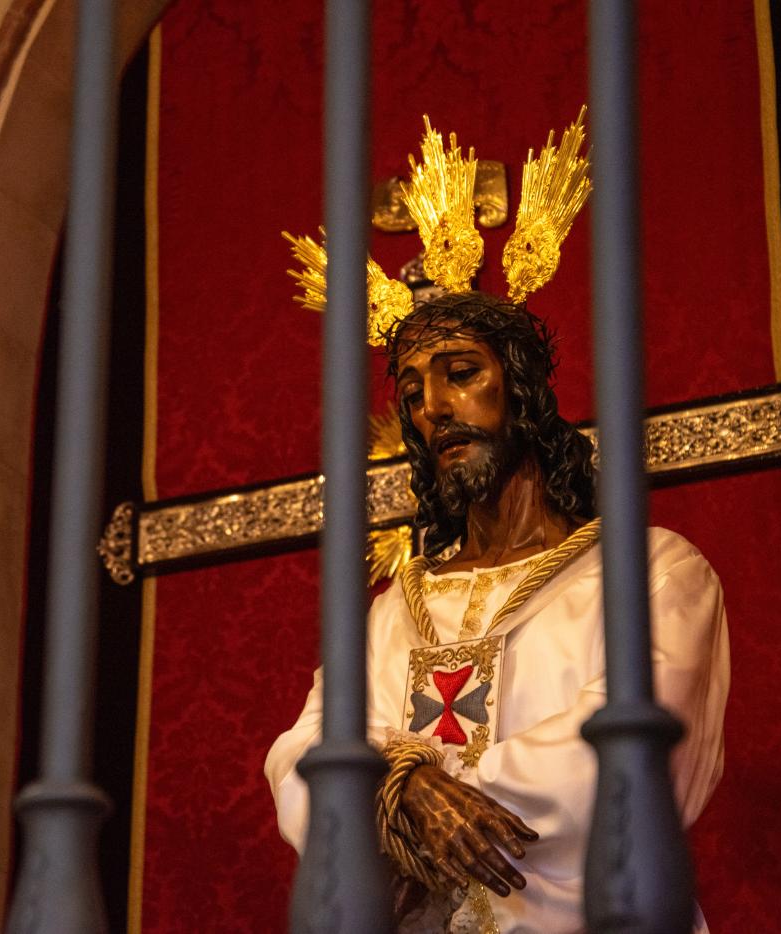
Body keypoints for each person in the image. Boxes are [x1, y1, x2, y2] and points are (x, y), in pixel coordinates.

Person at [265, 291, 730, 933]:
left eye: (461, 373)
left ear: (523, 387)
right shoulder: (393, 612)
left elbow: (620, 757)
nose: (434, 406)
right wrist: (409, 787)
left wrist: (415, 792)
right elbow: (301, 752)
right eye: (412, 393)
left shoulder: (651, 572)